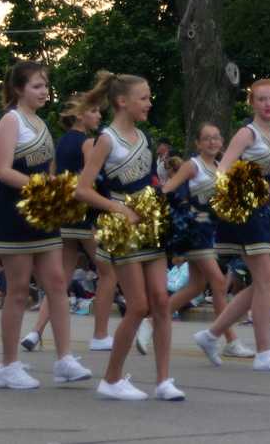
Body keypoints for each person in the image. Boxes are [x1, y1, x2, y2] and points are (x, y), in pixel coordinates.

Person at [74, 71, 180, 401]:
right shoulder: (106, 139)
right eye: (144, 98)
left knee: (161, 301)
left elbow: (148, 183)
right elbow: (82, 190)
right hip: (122, 227)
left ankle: (163, 380)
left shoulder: (145, 139)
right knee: (137, 306)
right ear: (123, 101)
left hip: (149, 225)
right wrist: (119, 210)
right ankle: (111, 378)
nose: (149, 103)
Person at [0, 61, 92, 390]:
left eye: (45, 84)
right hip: (14, 212)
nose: (43, 90)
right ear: (18, 89)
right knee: (17, 291)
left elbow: (48, 170)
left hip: (41, 211)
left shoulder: (40, 123)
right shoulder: (11, 120)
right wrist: (40, 188)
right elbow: (1, 170)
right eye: (36, 85)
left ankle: (64, 359)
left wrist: (55, 191)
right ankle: (7, 365)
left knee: (57, 282)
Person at [193, 79, 270, 372]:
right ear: (252, 103)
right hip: (246, 210)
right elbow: (222, 171)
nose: (268, 104)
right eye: (262, 99)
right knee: (265, 280)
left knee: (262, 283)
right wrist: (238, 201)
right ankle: (264, 353)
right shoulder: (247, 133)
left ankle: (211, 334)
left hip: (261, 209)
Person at [23, 94, 118, 354]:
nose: (99, 116)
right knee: (108, 272)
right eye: (95, 111)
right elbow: (92, 177)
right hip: (84, 215)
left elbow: (52, 177)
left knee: (61, 279)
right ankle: (100, 334)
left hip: (63, 214)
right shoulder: (88, 142)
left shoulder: (61, 142)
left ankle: (35, 332)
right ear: (80, 115)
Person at [161, 123, 250, 358]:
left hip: (210, 231)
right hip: (194, 231)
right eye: (207, 138)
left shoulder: (221, 167)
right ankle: (229, 340)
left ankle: (153, 321)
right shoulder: (193, 165)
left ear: (222, 141)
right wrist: (186, 211)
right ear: (198, 144)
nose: (212, 142)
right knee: (219, 282)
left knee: (196, 286)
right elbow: (167, 189)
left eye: (216, 137)